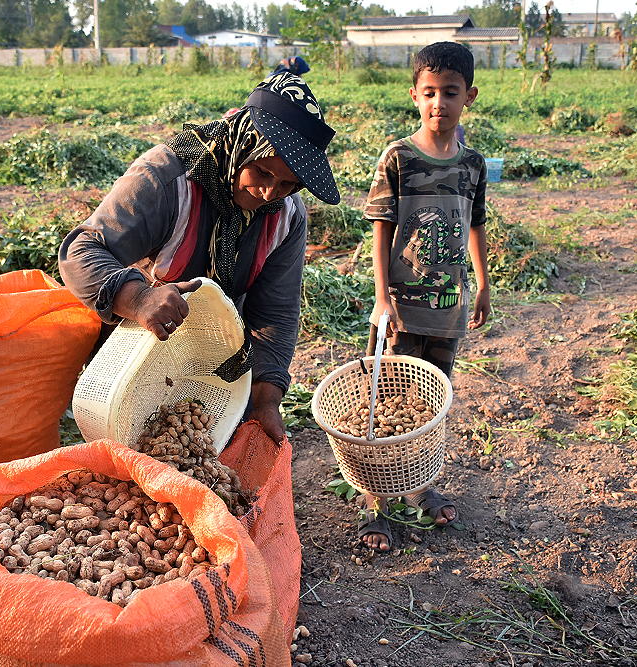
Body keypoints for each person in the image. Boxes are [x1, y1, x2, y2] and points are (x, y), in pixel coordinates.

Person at [59, 72, 340, 445]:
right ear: (243, 146)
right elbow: (80, 250)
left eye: (288, 184)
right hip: (135, 348)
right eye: (261, 170)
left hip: (216, 354)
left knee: (202, 456)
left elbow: (274, 315)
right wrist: (140, 299)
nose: (269, 191)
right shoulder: (167, 178)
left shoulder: (286, 214)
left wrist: (266, 402)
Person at [358, 41, 491, 551]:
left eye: (451, 93)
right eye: (430, 92)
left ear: (469, 97)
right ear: (415, 95)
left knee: (432, 402)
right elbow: (381, 226)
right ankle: (378, 504)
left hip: (449, 307)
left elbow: (476, 224)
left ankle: (421, 485)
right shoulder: (400, 157)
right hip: (401, 308)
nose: (440, 103)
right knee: (387, 403)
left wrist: (482, 284)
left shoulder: (472, 165)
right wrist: (381, 298)